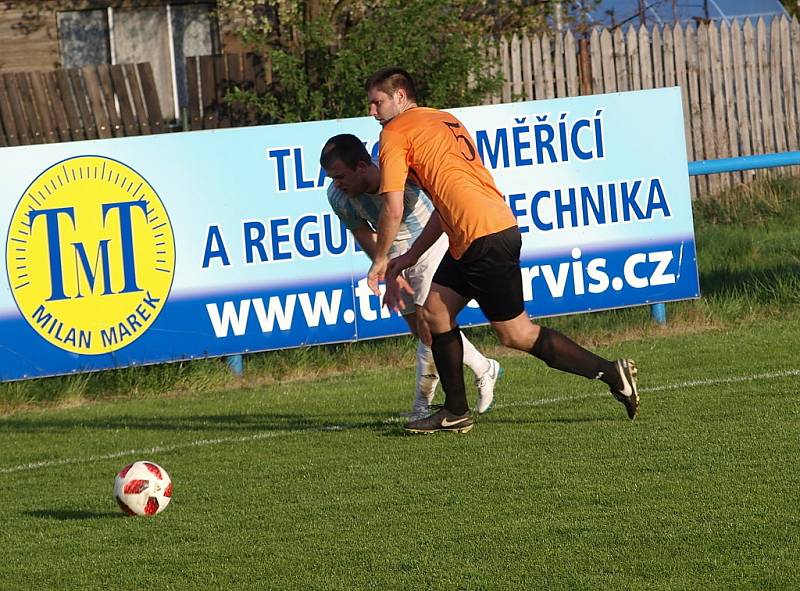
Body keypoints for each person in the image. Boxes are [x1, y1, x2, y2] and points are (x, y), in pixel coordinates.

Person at [364, 67, 639, 434]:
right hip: (485, 229)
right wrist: (410, 257)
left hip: (482, 237)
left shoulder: (395, 132)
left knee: (516, 334)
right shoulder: (444, 120)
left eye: (377, 102)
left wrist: (381, 259)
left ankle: (611, 372)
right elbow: (446, 207)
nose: (373, 111)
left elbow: (392, 208)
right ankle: (455, 411)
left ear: (400, 96)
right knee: (434, 312)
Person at [319, 133, 502, 420]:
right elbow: (363, 233)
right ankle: (484, 367)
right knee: (422, 331)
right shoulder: (337, 197)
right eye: (331, 178)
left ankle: (420, 407)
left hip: (430, 245)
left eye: (340, 176)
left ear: (362, 167)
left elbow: (439, 202)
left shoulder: (400, 171)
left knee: (430, 327)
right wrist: (387, 267)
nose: (336, 184)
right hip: (394, 254)